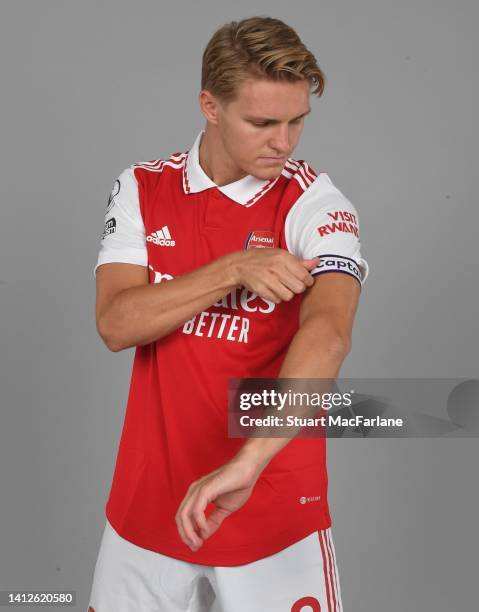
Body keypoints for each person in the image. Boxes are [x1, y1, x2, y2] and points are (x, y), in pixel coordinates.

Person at [88, 15, 369, 612]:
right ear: (209, 106)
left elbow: (330, 334)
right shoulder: (141, 188)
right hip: (148, 511)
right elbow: (116, 323)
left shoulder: (316, 203)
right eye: (263, 122)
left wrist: (249, 460)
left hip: (271, 508)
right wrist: (233, 269)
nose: (284, 142)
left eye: (297, 122)